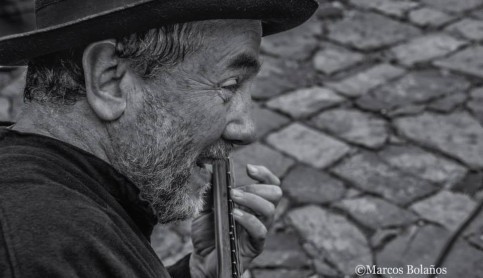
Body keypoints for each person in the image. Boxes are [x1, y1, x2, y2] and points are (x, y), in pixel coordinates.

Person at [0, 0, 318, 277]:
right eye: (230, 85)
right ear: (108, 80)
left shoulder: (55, 222)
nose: (245, 128)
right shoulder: (42, 246)